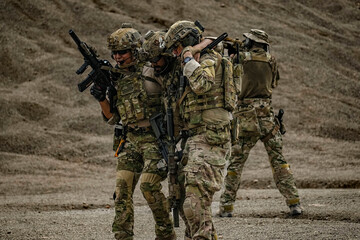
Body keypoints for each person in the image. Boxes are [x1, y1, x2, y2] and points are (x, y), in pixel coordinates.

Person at [90, 23, 175, 240]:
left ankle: (166, 235)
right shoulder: (117, 78)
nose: (118, 57)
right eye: (115, 53)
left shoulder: (152, 71)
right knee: (121, 192)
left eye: (123, 52)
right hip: (130, 140)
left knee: (149, 187)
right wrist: (101, 98)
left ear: (135, 51)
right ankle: (122, 235)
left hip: (155, 140)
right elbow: (112, 118)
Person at [218, 29, 302, 217]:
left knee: (235, 164)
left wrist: (232, 55)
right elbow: (274, 83)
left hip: (245, 116)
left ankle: (226, 208)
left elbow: (228, 80)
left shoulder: (240, 58)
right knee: (279, 161)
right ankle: (294, 203)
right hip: (267, 116)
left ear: (250, 42)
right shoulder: (271, 59)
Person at [164, 20, 233, 240]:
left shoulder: (209, 59)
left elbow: (203, 84)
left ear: (187, 42)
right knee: (189, 202)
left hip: (211, 138)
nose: (175, 53)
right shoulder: (196, 59)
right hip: (194, 139)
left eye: (177, 47)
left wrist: (187, 58)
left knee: (195, 201)